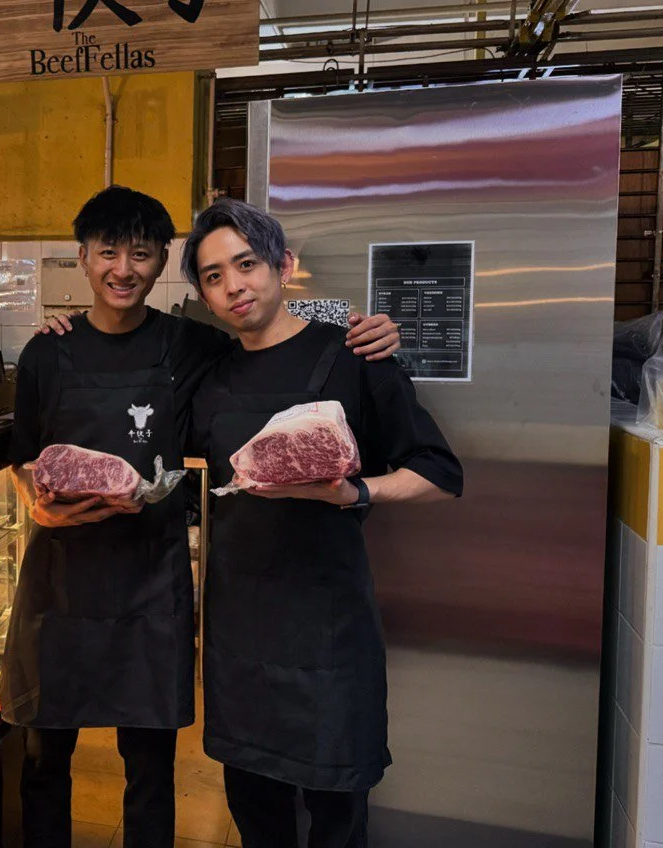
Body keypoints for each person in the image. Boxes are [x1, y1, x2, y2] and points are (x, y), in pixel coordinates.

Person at [3, 185, 402, 848]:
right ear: (83, 257)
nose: (123, 269)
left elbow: (275, 340)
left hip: (150, 585)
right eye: (108, 253)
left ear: (161, 261)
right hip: (61, 584)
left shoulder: (193, 344)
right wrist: (35, 503)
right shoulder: (46, 351)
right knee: (44, 760)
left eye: (140, 254)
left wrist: (366, 328)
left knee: (150, 769)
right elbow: (23, 459)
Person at [181, 198, 463, 848]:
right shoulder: (210, 376)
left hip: (328, 630)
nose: (234, 286)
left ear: (283, 265)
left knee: (338, 816)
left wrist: (354, 492)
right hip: (240, 631)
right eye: (214, 277)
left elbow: (440, 473)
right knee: (255, 813)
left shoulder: (355, 355)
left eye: (246, 265)